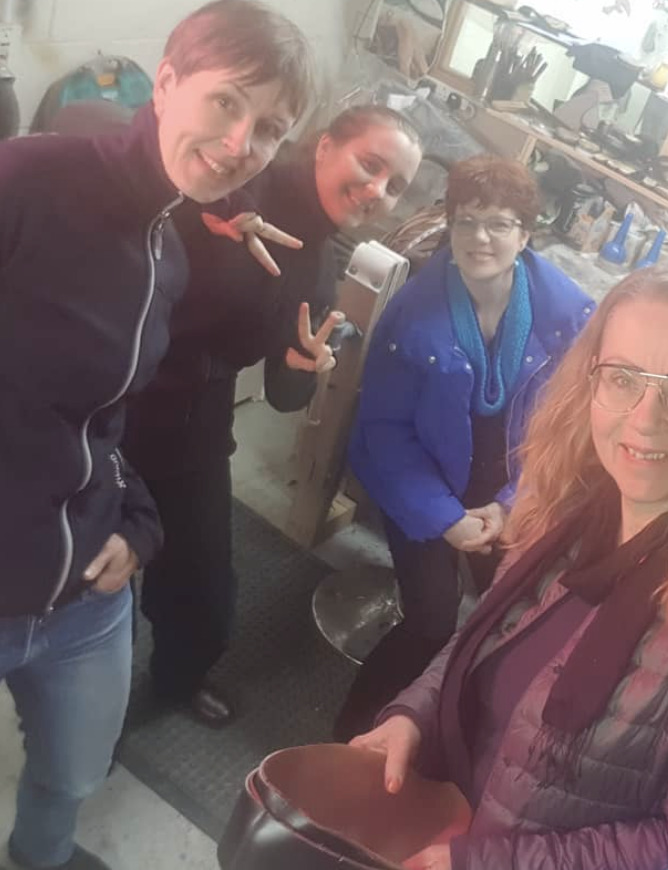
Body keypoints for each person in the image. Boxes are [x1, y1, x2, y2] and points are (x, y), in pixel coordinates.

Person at [349, 264, 668, 870]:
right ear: (591, 381)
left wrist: (480, 864)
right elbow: (482, 640)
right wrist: (412, 716)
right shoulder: (568, 504)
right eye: (624, 378)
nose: (646, 418)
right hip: (440, 815)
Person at [0, 2, 314, 868]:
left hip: (85, 597)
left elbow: (103, 421)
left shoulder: (166, 253)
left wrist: (137, 520)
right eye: (227, 101)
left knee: (75, 771)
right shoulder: (26, 182)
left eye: (270, 128)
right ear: (167, 82)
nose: (241, 141)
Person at [121, 105, 423, 728]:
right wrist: (214, 220)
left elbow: (284, 396)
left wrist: (303, 363)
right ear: (324, 146)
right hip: (115, 395)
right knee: (88, 577)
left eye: (395, 185)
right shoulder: (238, 179)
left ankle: (177, 681)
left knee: (205, 593)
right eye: (369, 164)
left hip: (193, 424)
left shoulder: (317, 266)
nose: (376, 190)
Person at [336, 155, 595, 741]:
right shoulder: (412, 314)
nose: (481, 238)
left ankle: (452, 739)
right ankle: (352, 733)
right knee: (431, 618)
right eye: (467, 222)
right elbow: (385, 433)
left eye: (499, 223)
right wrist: (445, 520)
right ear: (449, 226)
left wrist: (511, 503)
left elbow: (567, 429)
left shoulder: (570, 317)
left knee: (508, 616)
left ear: (525, 235)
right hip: (422, 484)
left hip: (509, 484)